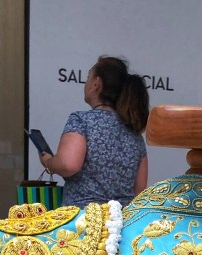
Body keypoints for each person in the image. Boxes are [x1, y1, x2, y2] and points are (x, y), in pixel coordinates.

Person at [40, 56, 149, 207]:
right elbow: (140, 190)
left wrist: (49, 162)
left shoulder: (81, 120)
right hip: (122, 218)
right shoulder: (135, 134)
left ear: (96, 84)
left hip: (83, 216)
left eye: (88, 77)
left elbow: (68, 164)